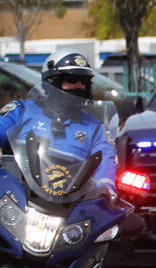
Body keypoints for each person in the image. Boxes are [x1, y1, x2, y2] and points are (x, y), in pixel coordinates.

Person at [0, 50, 118, 196]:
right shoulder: (21, 111)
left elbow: (106, 160)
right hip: (15, 197)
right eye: (72, 80)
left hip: (68, 204)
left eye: (84, 81)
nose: (79, 86)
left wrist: (105, 188)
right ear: (51, 81)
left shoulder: (95, 127)